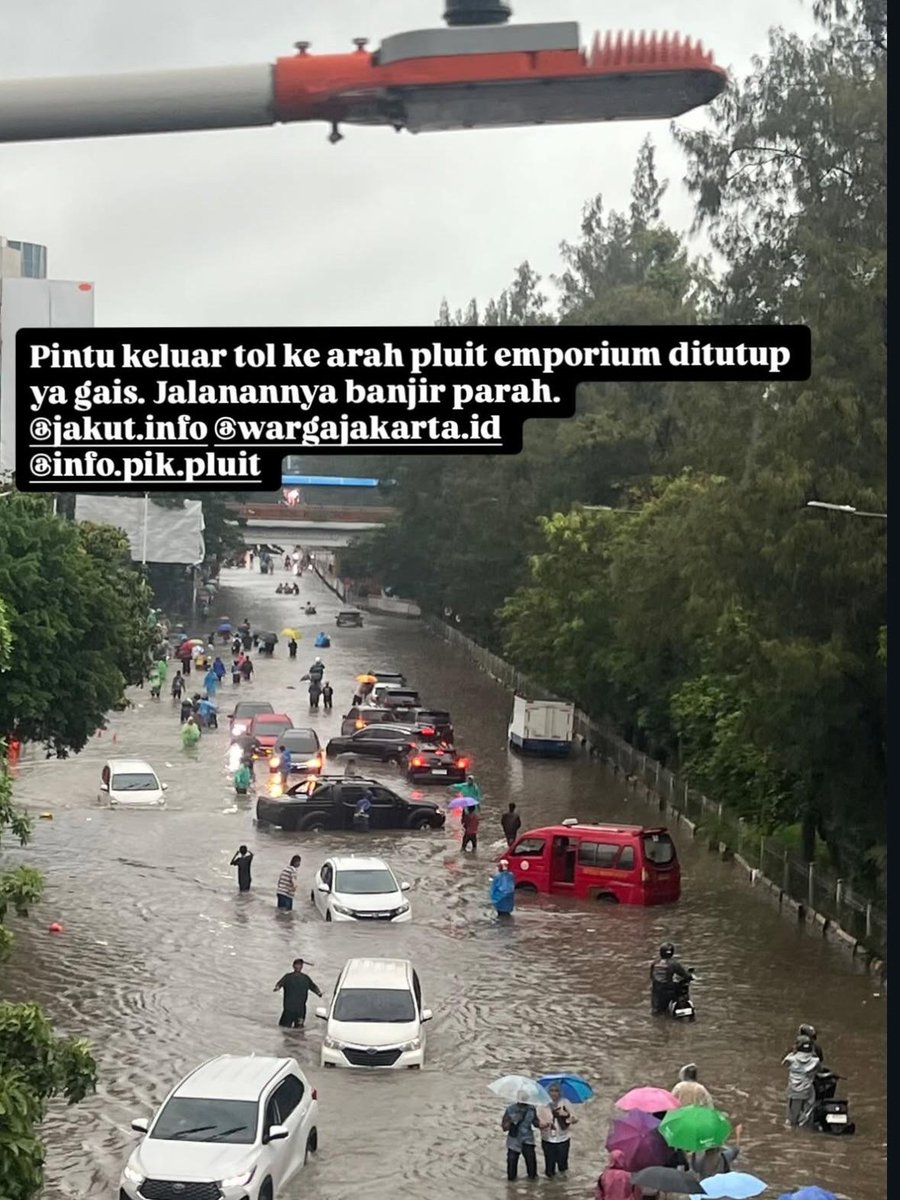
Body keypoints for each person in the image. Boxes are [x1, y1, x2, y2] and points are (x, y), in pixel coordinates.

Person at [537, 1082, 576, 1177]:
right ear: (548, 1092)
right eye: (551, 1090)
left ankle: (563, 1187)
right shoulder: (542, 1104)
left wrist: (568, 1116)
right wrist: (543, 1124)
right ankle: (550, 1189)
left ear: (560, 1092)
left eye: (556, 1091)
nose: (554, 1093)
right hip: (547, 1139)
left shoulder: (565, 1102)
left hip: (563, 1138)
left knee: (563, 1165)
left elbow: (574, 1118)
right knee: (549, 1167)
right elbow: (537, 1121)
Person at [502, 1093, 541, 1181]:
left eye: (525, 1096)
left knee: (532, 1170)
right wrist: (511, 1121)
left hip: (528, 1140)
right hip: (514, 1141)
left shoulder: (532, 1109)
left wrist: (543, 1123)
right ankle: (511, 1191)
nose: (523, 1098)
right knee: (511, 1172)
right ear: (517, 1097)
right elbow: (504, 1127)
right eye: (521, 1096)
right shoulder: (510, 1109)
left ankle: (531, 1189)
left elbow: (536, 1123)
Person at [274, 958, 322, 1028]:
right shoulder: (306, 978)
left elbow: (278, 984)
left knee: (284, 1028)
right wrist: (319, 993)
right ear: (302, 967)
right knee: (299, 1030)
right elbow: (314, 987)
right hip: (300, 1011)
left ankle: (288, 1039)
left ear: (293, 966)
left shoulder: (287, 977)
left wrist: (277, 988)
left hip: (288, 1010)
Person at [783, 1037, 820, 1127]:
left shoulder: (791, 1059)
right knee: (807, 1112)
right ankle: (802, 1130)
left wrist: (793, 1053)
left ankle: (791, 1133)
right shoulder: (815, 1060)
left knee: (791, 1118)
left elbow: (784, 1064)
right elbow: (818, 1069)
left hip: (794, 1090)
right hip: (807, 1089)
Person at [650, 942, 692, 1015]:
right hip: (668, 990)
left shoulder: (655, 963)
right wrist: (690, 976)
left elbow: (651, 976)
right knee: (681, 991)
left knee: (656, 1012)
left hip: (656, 990)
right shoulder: (673, 963)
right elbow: (685, 974)